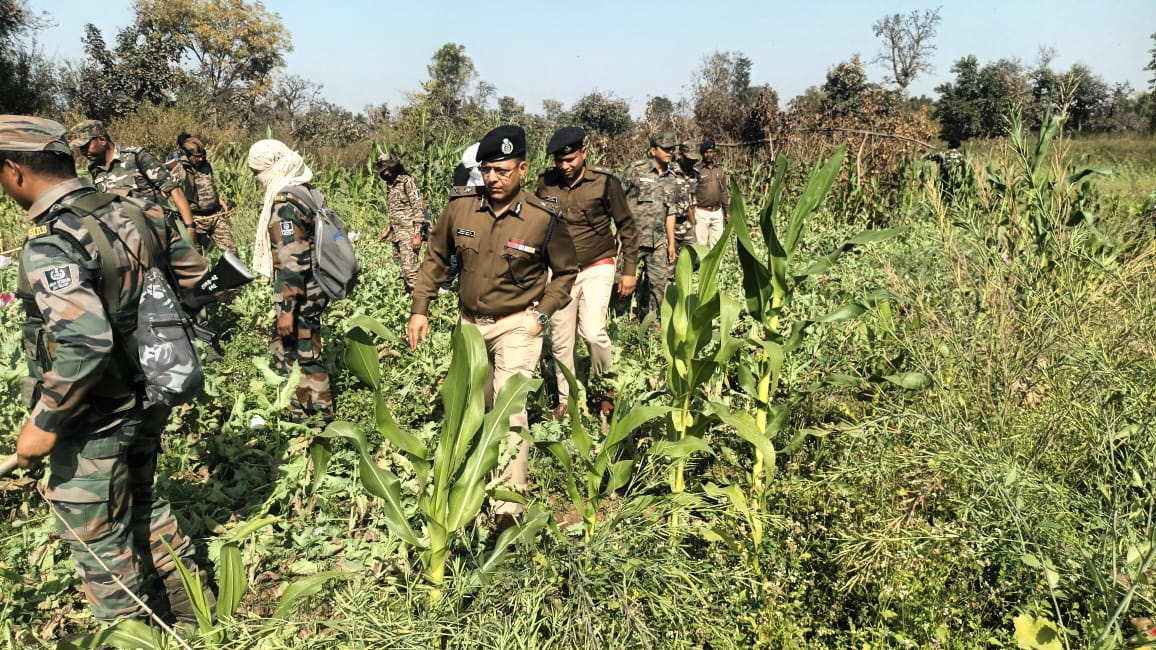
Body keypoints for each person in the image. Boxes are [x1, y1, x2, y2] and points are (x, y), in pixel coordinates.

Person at [2, 115, 217, 624]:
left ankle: (130, 634)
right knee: (140, 495)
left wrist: (42, 423)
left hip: (96, 410)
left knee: (93, 532)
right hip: (153, 389)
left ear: (14, 171)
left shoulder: (53, 243)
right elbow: (200, 280)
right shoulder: (140, 211)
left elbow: (85, 345)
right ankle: (198, 612)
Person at [407, 125, 578, 524]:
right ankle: (469, 474)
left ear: (522, 169)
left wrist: (543, 312)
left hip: (517, 323)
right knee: (474, 403)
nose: (493, 179)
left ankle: (508, 508)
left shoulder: (542, 218)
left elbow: (567, 271)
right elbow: (434, 258)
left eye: (502, 171)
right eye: (487, 170)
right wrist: (420, 307)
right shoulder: (461, 208)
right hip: (469, 325)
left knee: (509, 409)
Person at [536, 126, 638, 418]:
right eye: (560, 161)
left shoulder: (605, 183)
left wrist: (629, 270)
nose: (566, 167)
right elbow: (535, 223)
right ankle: (567, 400)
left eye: (571, 160)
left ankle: (607, 386)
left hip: (597, 265)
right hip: (561, 272)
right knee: (560, 340)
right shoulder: (546, 184)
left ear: (583, 153)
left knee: (592, 332)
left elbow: (627, 227)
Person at [248, 139, 333, 424]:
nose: (257, 178)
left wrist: (287, 309)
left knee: (305, 356)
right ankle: (298, 411)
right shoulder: (308, 191)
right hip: (314, 287)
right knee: (284, 350)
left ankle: (321, 420)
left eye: (256, 172)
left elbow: (293, 259)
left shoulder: (286, 203)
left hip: (300, 294)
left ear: (271, 167)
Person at [67, 120, 197, 240]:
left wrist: (190, 228)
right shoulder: (94, 169)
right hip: (127, 239)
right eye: (80, 149)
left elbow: (174, 190)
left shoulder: (136, 157)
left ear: (102, 140)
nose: (83, 152)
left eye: (85, 146)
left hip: (157, 232)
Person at [620, 132, 681, 325]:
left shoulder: (672, 177)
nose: (670, 152)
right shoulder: (635, 170)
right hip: (633, 239)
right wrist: (619, 231)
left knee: (659, 285)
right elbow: (616, 201)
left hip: (659, 242)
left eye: (672, 149)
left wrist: (671, 243)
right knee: (623, 283)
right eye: (665, 149)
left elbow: (670, 212)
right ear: (653, 150)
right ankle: (620, 323)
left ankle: (654, 325)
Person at [167, 133, 237, 255]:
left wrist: (222, 203)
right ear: (187, 155)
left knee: (232, 253)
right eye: (196, 156)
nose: (200, 159)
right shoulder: (179, 171)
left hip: (215, 216)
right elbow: (167, 193)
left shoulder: (206, 166)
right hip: (195, 221)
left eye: (202, 155)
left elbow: (210, 185)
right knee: (196, 258)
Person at [374, 153, 429, 293]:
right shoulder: (390, 185)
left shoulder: (407, 182)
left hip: (409, 233)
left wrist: (417, 233)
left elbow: (418, 208)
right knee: (401, 270)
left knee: (410, 271)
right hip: (397, 234)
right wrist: (387, 230)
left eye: (386, 169)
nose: (384, 172)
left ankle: (420, 302)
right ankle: (406, 302)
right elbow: (395, 211)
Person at [694, 139, 729, 247]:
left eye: (711, 152)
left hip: (717, 212)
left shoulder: (719, 169)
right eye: (706, 152)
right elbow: (692, 192)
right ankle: (700, 264)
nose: (709, 154)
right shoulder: (697, 170)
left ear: (714, 153)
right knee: (701, 245)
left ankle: (717, 265)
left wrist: (727, 211)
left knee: (717, 246)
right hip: (701, 213)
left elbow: (723, 191)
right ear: (702, 154)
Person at [672, 142, 700, 259]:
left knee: (695, 259)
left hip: (686, 224)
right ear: (680, 155)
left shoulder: (694, 175)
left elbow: (692, 201)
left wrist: (693, 224)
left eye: (694, 160)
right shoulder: (669, 172)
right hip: (669, 224)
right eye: (689, 159)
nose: (692, 163)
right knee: (669, 263)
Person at [925, 139, 965, 204]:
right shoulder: (960, 156)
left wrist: (926, 152)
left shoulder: (943, 154)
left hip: (944, 176)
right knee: (953, 192)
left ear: (949, 145)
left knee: (942, 191)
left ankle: (939, 204)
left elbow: (928, 157)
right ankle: (951, 204)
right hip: (955, 177)